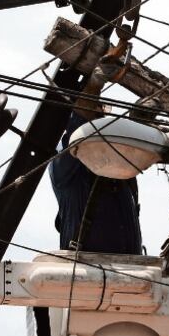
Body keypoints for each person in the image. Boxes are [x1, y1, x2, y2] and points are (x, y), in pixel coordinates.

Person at [49, 71, 142, 255]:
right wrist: (94, 84)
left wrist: (142, 120)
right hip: (85, 267)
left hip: (132, 266)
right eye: (95, 111)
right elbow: (78, 129)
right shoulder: (65, 162)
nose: (101, 119)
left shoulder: (118, 160)